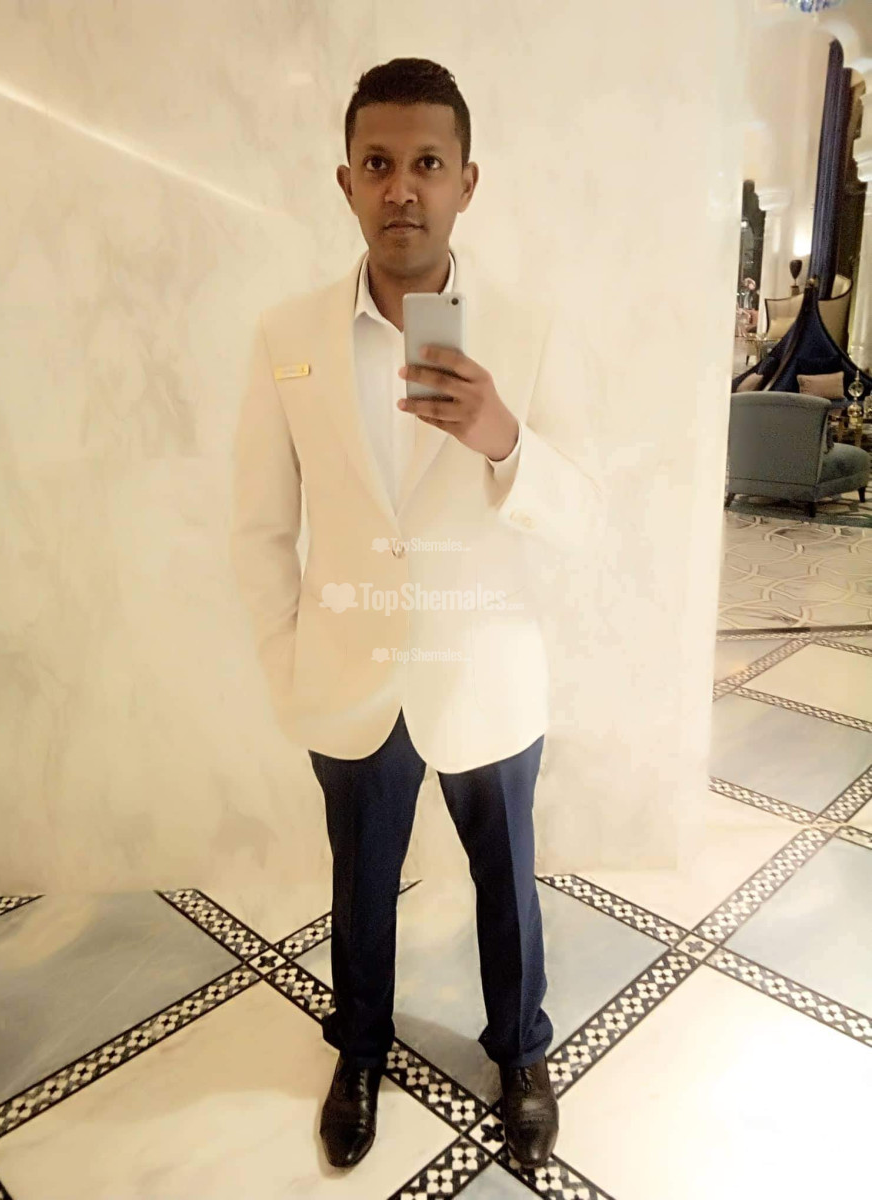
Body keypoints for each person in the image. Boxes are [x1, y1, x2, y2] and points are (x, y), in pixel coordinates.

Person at [230, 57, 604, 1171]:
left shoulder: (528, 332)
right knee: (359, 881)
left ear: (466, 182)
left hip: (485, 666)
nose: (403, 187)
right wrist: (290, 664)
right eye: (379, 163)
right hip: (347, 669)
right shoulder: (287, 336)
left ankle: (521, 1052)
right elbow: (259, 527)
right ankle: (359, 1050)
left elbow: (586, 515)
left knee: (507, 882)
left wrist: (504, 439)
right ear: (346, 181)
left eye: (428, 163)